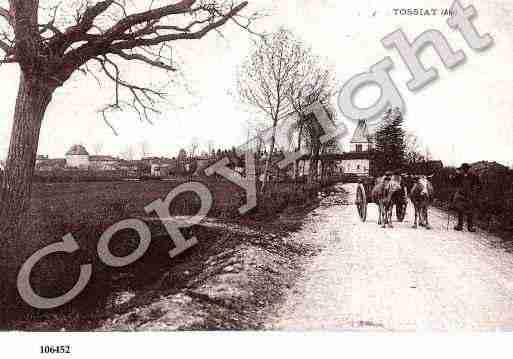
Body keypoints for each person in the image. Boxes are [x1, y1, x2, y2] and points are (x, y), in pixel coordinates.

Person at [452, 163, 481, 232]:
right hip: (461, 194)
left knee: (470, 210)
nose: (464, 170)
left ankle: (470, 226)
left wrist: (475, 192)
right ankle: (460, 225)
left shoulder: (473, 176)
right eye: (463, 169)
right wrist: (453, 177)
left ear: (468, 168)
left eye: (465, 168)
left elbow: (479, 184)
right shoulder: (460, 175)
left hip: (470, 195)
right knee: (460, 209)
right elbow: (454, 182)